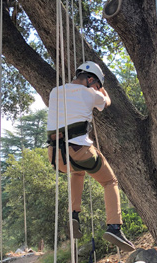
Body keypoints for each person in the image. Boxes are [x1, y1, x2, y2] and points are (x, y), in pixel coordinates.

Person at [47, 61, 134, 252]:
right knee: (110, 181)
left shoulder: (55, 92)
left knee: (78, 173)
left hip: (56, 157)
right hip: (81, 151)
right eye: (96, 84)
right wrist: (102, 90)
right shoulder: (91, 93)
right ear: (90, 79)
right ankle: (114, 227)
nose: (96, 89)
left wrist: (95, 85)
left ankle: (73, 214)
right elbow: (107, 103)